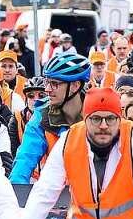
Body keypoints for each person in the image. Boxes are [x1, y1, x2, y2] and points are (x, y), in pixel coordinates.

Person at [3, 87, 133, 219]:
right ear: (85, 118)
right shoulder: (69, 140)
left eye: (110, 118)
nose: (103, 125)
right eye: (96, 119)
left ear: (120, 118)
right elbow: (46, 190)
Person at [9, 52, 90, 184]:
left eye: (54, 84)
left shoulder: (97, 113)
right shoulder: (42, 115)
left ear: (75, 85)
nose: (47, 89)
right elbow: (24, 159)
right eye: (47, 82)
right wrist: (16, 192)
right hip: (56, 193)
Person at [8, 76, 46, 155]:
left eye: (41, 96)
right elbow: (13, 151)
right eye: (31, 96)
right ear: (26, 99)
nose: (36, 99)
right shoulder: (17, 118)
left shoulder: (57, 117)